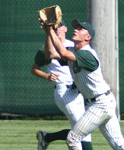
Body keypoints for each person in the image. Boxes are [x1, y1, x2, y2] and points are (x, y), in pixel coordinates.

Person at [41, 19, 124, 150]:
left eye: (80, 29)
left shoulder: (87, 54)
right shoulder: (74, 51)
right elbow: (50, 54)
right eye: (76, 27)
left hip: (100, 103)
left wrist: (51, 30)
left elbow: (63, 53)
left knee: (73, 138)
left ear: (88, 37)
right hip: (100, 102)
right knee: (119, 144)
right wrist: (47, 32)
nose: (76, 29)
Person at [31, 20, 93, 150]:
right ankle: (47, 137)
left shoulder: (73, 46)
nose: (57, 28)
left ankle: (47, 137)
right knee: (83, 129)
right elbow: (34, 69)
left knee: (80, 128)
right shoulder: (46, 48)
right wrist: (47, 76)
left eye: (59, 26)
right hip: (63, 90)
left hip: (78, 91)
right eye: (54, 27)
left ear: (65, 28)